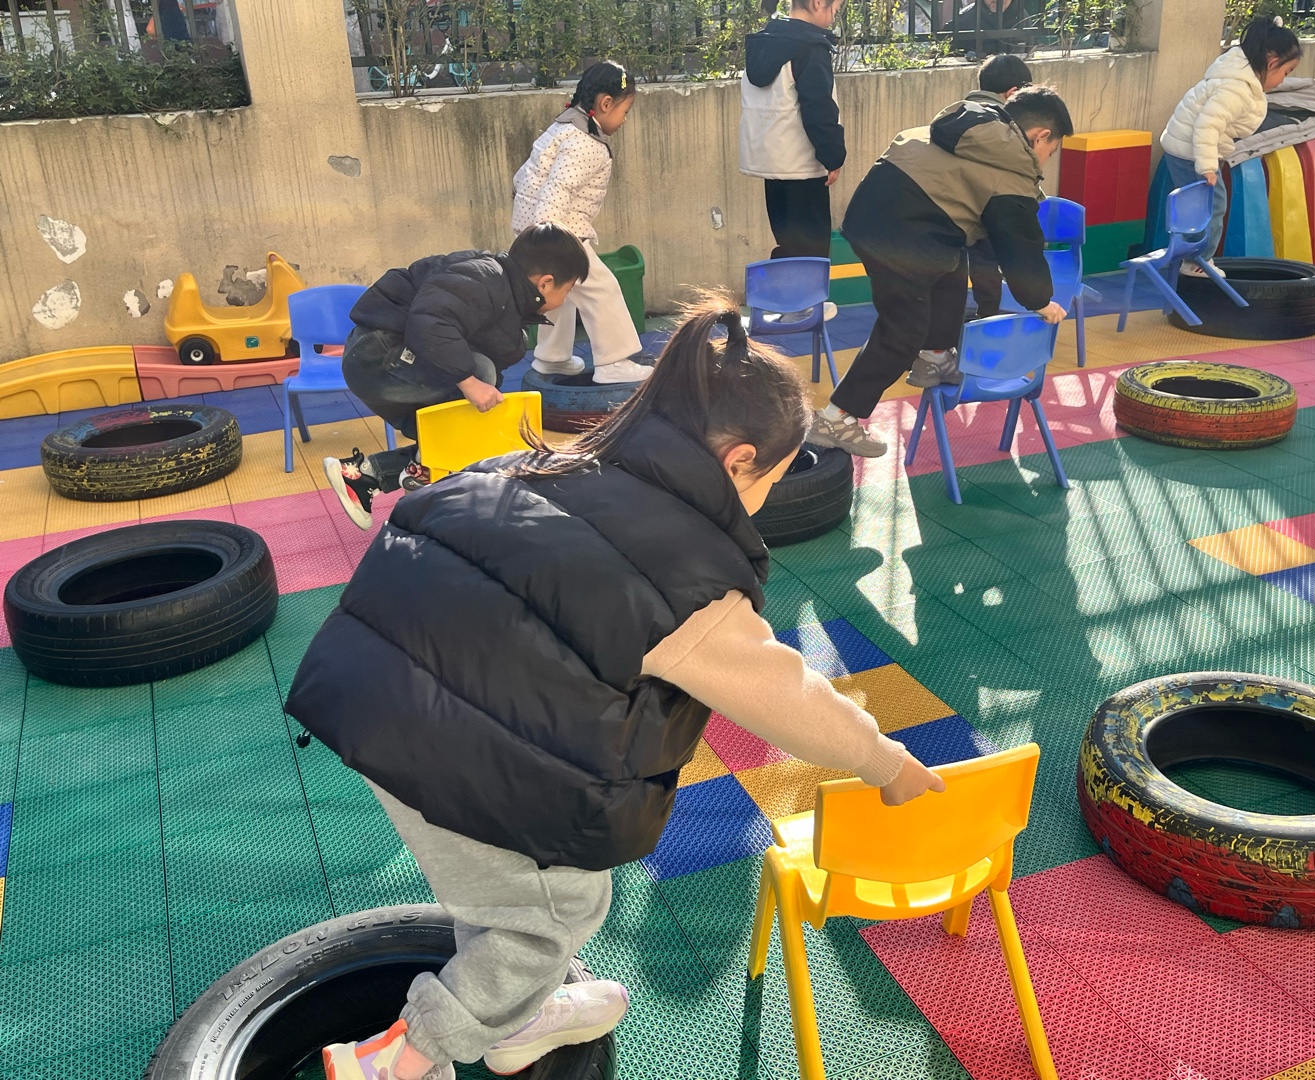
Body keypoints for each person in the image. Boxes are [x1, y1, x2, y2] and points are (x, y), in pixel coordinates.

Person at [288, 295, 946, 1080]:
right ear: (740, 461)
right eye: (773, 478)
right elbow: (788, 697)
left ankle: (514, 1023)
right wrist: (888, 765)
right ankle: (401, 1059)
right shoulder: (684, 575)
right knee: (554, 911)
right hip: (444, 744)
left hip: (366, 694)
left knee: (505, 888)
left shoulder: (549, 462)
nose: (768, 494)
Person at [808, 85, 1073, 458]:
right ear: (1040, 136)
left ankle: (934, 357)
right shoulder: (1010, 168)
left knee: (952, 268)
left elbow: (980, 229)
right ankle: (835, 418)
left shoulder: (972, 128)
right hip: (903, 236)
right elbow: (1019, 244)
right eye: (1051, 151)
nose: (1046, 160)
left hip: (880, 218)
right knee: (903, 329)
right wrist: (1040, 300)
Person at [321, 223, 590, 530]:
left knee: (470, 423)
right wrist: (468, 382)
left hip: (394, 359)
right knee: (479, 375)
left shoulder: (508, 302)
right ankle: (419, 473)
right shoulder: (485, 278)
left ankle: (364, 476)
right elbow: (431, 322)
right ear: (546, 283)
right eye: (568, 290)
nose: (566, 299)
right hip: (378, 355)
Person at [513, 61, 653, 385]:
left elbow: (524, 177)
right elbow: (557, 190)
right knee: (601, 289)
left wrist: (532, 233)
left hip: (534, 227)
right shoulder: (585, 144)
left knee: (558, 292)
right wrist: (547, 239)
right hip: (558, 232)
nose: (625, 119)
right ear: (606, 103)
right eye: (625, 111)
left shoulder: (562, 127)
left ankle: (551, 357)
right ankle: (614, 362)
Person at [1160, 16, 1303, 277]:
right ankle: (1197, 261)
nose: (1283, 80)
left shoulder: (1240, 76)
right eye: (1286, 72)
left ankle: (1193, 257)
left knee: (1201, 206)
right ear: (1272, 63)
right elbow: (1207, 126)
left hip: (1187, 146)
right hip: (1191, 152)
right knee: (1213, 205)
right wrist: (1207, 167)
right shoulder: (1236, 90)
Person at [739, 0, 846, 261]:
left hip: (771, 165)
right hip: (802, 167)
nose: (834, 18)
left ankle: (783, 288)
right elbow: (818, 107)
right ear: (818, 3)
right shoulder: (810, 48)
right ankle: (803, 290)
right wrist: (833, 156)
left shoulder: (766, 42)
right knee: (812, 255)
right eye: (835, 10)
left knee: (788, 248)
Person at [966, 54, 1034, 321]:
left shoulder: (960, 112)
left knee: (975, 266)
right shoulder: (1005, 125)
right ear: (1013, 93)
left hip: (959, 211)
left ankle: (983, 314)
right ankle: (992, 316)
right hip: (991, 207)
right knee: (993, 263)